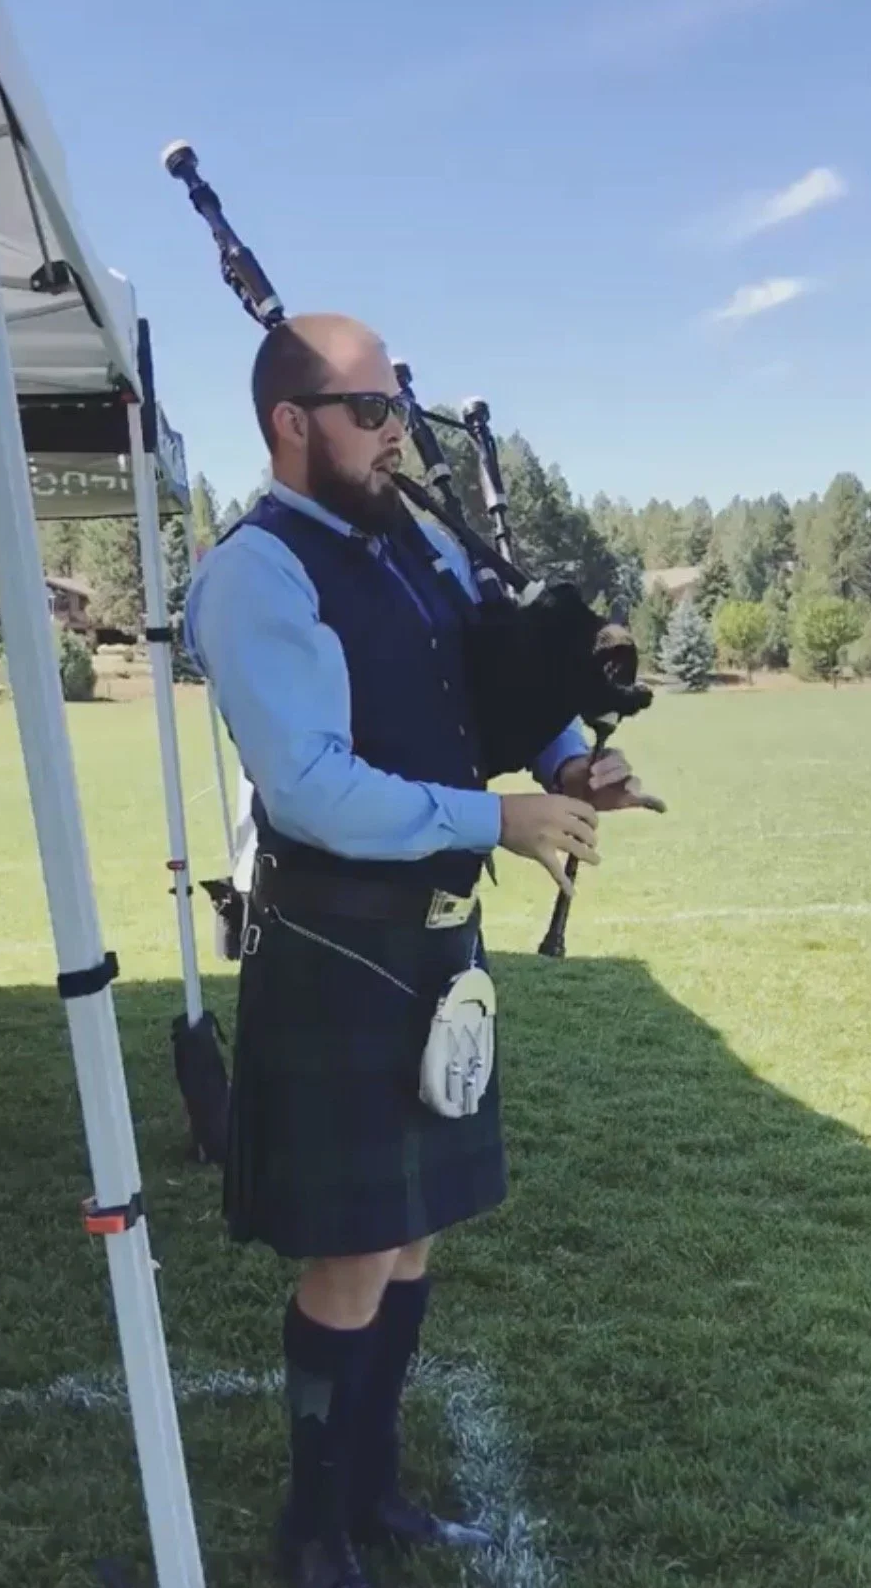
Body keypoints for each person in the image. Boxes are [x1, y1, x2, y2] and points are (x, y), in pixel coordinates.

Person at [183, 313, 653, 1588]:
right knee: (351, 1250)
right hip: (338, 948)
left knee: (415, 1230)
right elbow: (315, 788)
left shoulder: (411, 549)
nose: (400, 434)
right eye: (371, 411)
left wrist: (570, 760)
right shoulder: (258, 575)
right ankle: (312, 1527)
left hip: (442, 943)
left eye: (401, 407)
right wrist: (499, 816)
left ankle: (376, 1489)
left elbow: (491, 680)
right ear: (292, 423)